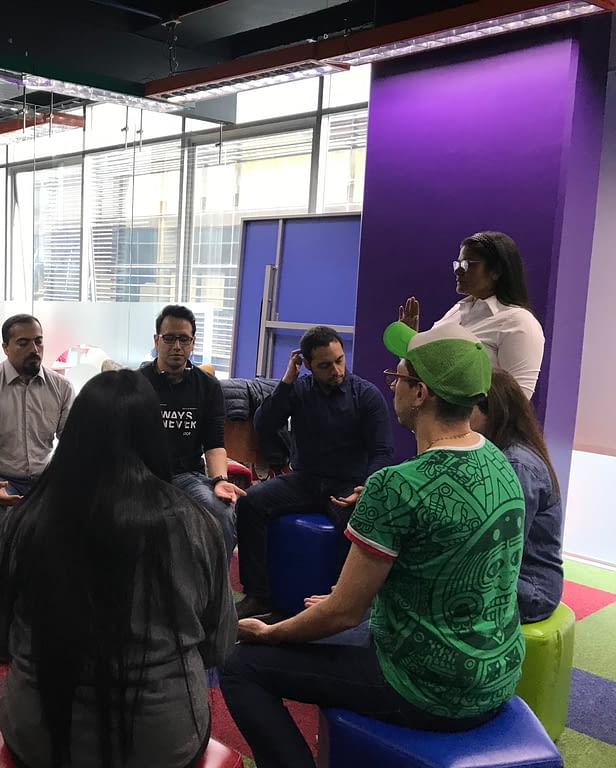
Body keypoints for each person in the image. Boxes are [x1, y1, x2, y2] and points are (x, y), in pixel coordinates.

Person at [220, 321, 526, 768]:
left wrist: (271, 631)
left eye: (398, 377)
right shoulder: (501, 463)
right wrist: (345, 602)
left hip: (427, 690)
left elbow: (343, 614)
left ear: (420, 393)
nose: (392, 385)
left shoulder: (395, 485)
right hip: (497, 677)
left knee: (240, 665)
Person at [0, 370, 236, 768]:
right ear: (154, 436)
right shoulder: (197, 525)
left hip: (37, 735)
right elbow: (218, 648)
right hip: (163, 741)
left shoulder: (25, 520)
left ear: (74, 435)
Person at [234, 326, 394, 619]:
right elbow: (263, 425)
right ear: (307, 364)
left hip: (347, 484)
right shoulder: (299, 390)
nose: (336, 370)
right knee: (249, 504)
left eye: (339, 360)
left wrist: (367, 487)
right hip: (305, 479)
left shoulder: (366, 395)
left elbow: (382, 451)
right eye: (325, 365)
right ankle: (258, 595)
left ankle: (342, 600)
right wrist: (286, 382)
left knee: (363, 520)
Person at [0, 314, 74, 577]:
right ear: (6, 347)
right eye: (23, 343)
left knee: (79, 513)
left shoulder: (62, 388)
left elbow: (71, 444)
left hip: (40, 481)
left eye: (38, 341)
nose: (34, 349)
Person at [139, 304, 245, 559]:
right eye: (169, 338)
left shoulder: (208, 387)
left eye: (184, 339)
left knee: (222, 511)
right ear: (157, 340)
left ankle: (214, 581)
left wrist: (220, 481)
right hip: (144, 476)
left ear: (193, 342)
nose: (177, 346)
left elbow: (214, 444)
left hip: (187, 476)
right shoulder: (138, 383)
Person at [398, 230, 545, 398]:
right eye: (458, 264)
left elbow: (516, 401)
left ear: (496, 271)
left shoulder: (519, 322)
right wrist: (410, 345)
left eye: (468, 264)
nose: (458, 271)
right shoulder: (457, 311)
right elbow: (427, 374)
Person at [471, 368, 564, 623]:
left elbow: (502, 547)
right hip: (513, 578)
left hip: (530, 588)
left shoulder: (517, 465)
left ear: (492, 412)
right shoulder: (499, 454)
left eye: (468, 410)